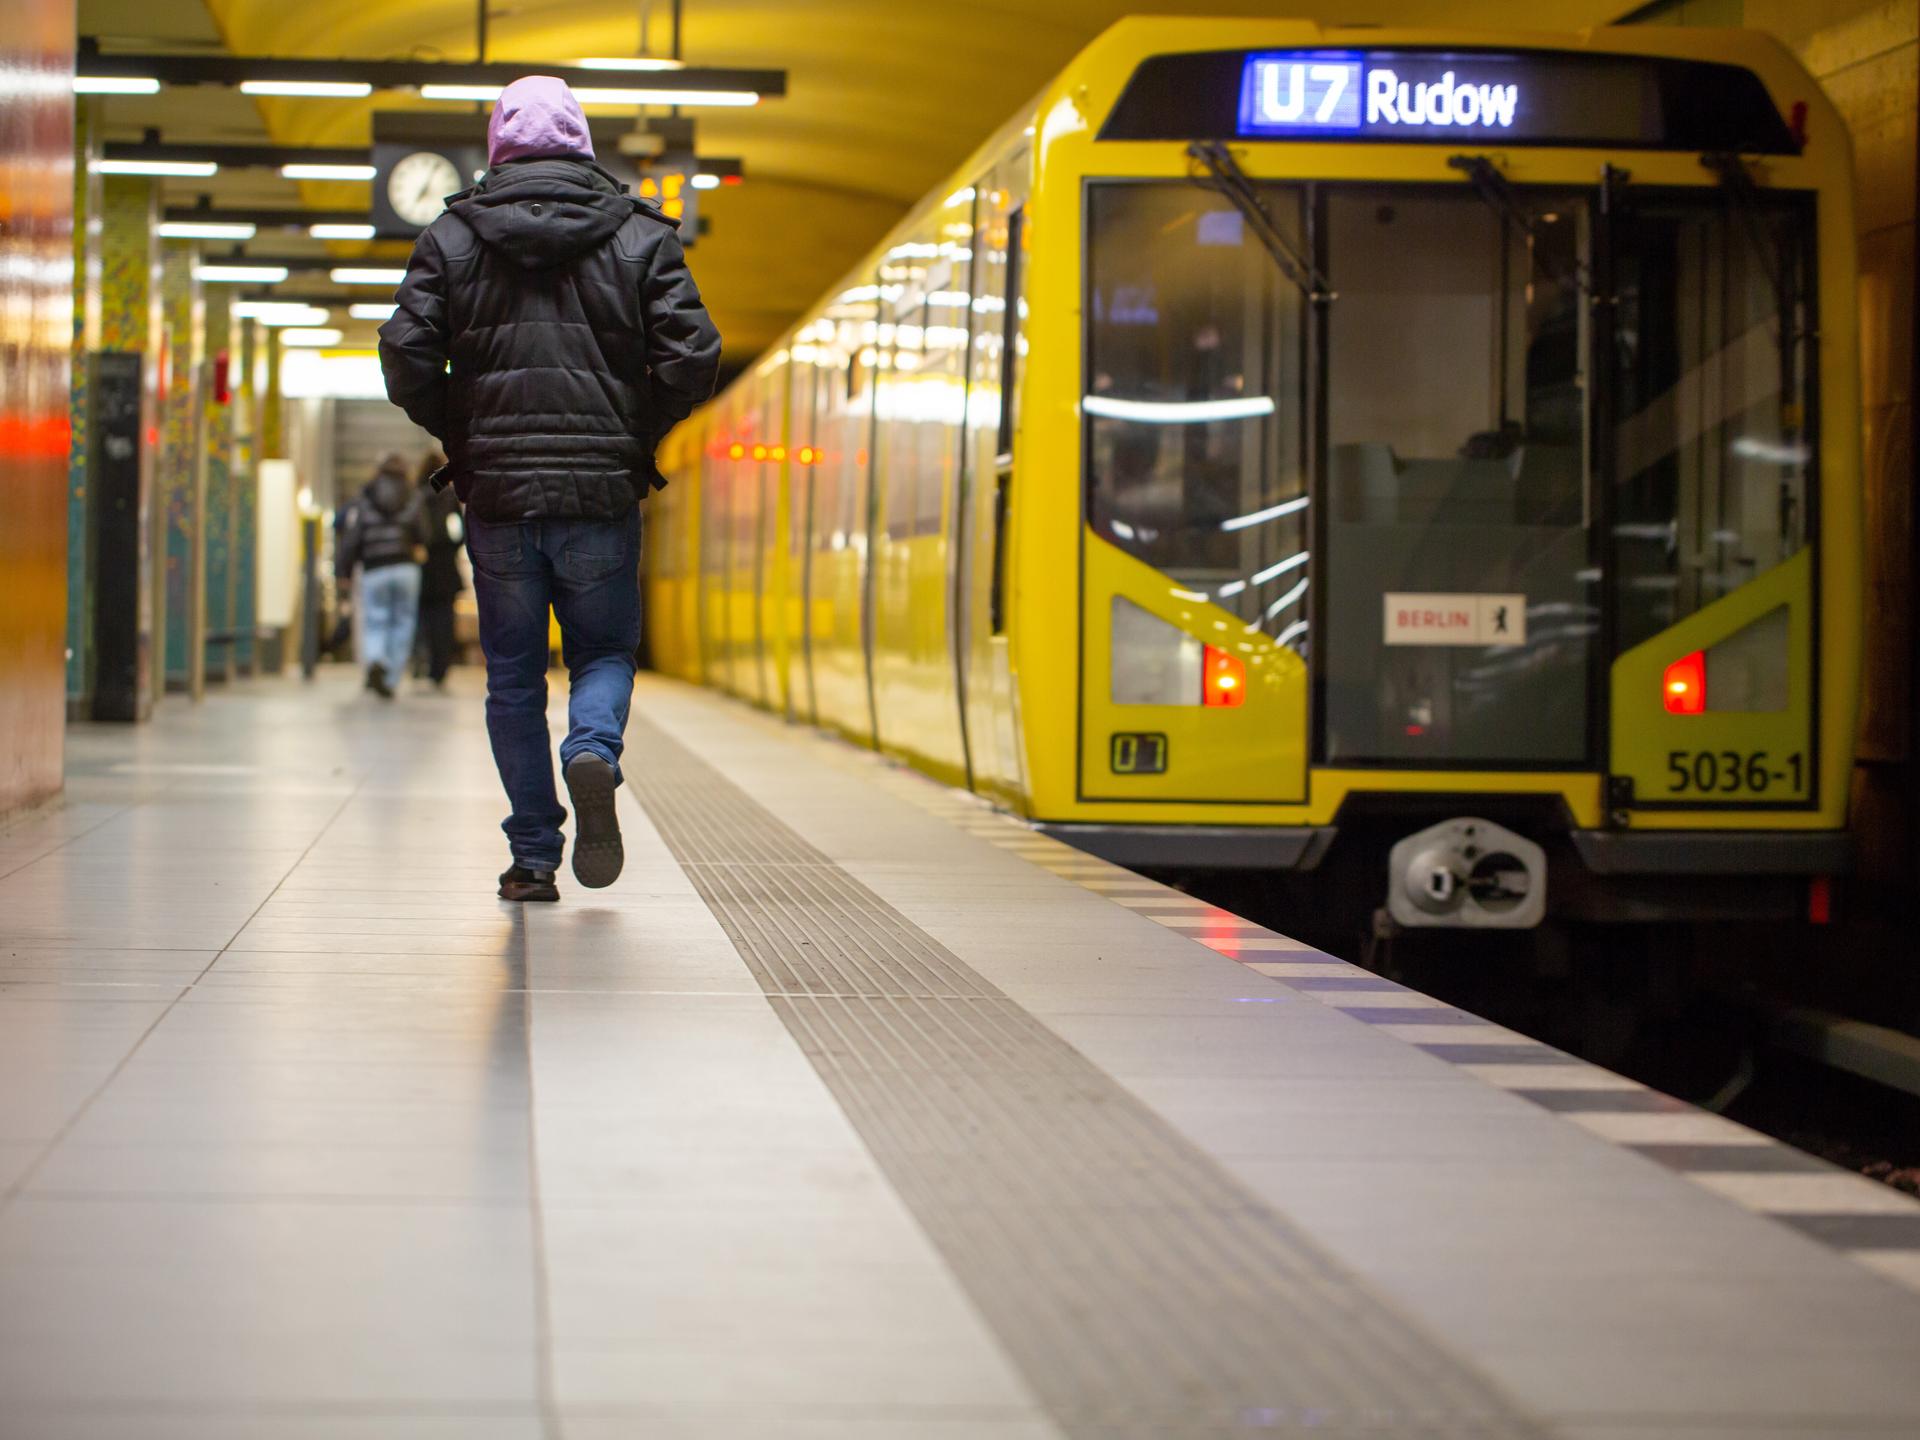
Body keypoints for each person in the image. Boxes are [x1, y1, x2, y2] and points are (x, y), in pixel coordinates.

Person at [378, 75, 721, 902]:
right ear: (582, 144)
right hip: (600, 491)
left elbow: (406, 357)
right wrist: (635, 432)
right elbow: (694, 356)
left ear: (497, 145)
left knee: (513, 677)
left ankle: (533, 855)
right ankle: (593, 750)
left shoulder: (451, 238)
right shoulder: (643, 236)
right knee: (602, 651)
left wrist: (462, 433)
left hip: (496, 494)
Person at [335, 453, 429, 699]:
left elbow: (352, 538)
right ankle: (390, 677)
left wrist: (343, 570)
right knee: (403, 622)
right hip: (405, 567)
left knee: (376, 620)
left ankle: (376, 659)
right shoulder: (413, 496)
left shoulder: (365, 498)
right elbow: (423, 534)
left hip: (374, 568)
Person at [413, 450, 465, 689]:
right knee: (445, 618)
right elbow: (460, 531)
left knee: (423, 617)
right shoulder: (449, 497)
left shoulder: (416, 496)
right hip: (445, 565)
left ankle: (421, 662)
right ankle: (440, 667)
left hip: (422, 564)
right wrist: (453, 548)